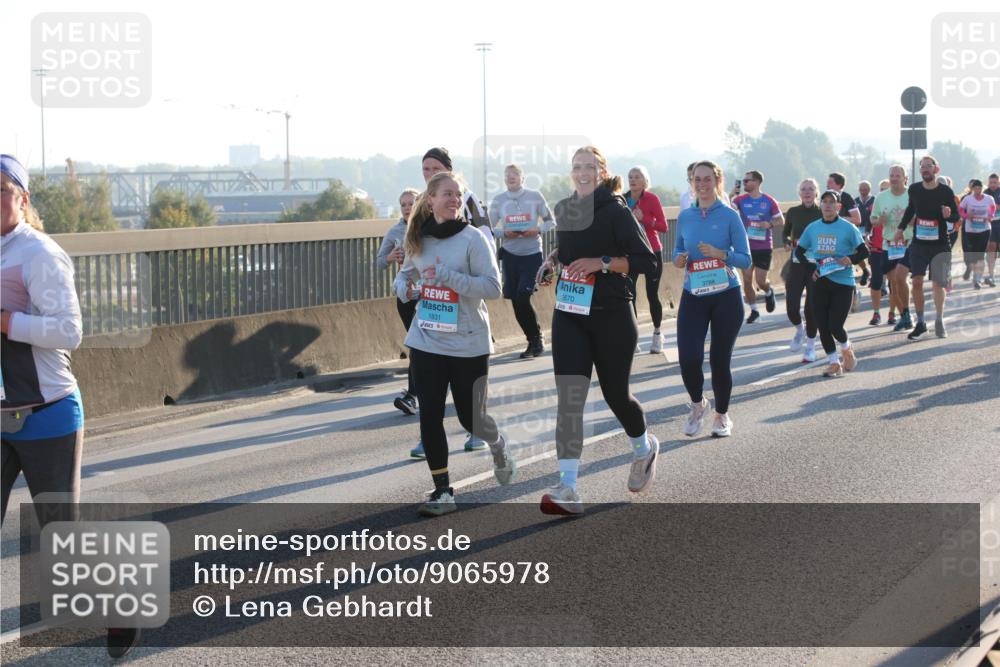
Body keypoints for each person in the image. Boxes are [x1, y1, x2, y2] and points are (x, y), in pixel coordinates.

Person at [0, 155, 139, 658]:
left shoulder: (39, 253)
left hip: (46, 413)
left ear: (23, 198)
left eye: (1, 189)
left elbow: (70, 331)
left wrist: (7, 322)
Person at [534, 146, 659, 516]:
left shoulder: (617, 211)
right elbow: (571, 248)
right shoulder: (564, 209)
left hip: (612, 314)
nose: (582, 173)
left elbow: (646, 262)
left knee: (616, 395)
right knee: (570, 399)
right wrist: (553, 261)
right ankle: (568, 488)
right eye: (576, 167)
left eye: (589, 167)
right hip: (570, 312)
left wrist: (602, 264)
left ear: (602, 171)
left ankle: (643, 447)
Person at [392, 172, 515, 516]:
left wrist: (449, 277)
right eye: (447, 194)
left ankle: (498, 443)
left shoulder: (473, 239)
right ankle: (443, 491)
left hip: (468, 343)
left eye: (458, 195)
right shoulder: (417, 237)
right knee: (429, 414)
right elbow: (403, 277)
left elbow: (493, 287)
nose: (454, 200)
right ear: (430, 199)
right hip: (427, 338)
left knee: (470, 418)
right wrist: (407, 289)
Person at [673, 160, 751, 436]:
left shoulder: (730, 216)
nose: (702, 184)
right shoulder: (685, 216)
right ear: (691, 182)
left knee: (720, 360)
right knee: (688, 357)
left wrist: (721, 254)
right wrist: (679, 259)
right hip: (694, 293)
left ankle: (721, 415)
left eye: (707, 179)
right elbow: (677, 252)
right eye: (697, 179)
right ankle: (698, 404)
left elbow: (745, 258)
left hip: (726, 295)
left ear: (717, 181)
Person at [420, 147, 490, 451]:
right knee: (429, 404)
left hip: (466, 319)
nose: (430, 174)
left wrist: (452, 274)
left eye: (436, 168)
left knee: (467, 405)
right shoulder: (422, 210)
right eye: (426, 169)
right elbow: (411, 258)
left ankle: (482, 431)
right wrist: (406, 283)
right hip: (430, 325)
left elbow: (485, 241)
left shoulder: (467, 202)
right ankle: (430, 441)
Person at [794, 190, 869, 377]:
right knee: (822, 325)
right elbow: (799, 252)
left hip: (843, 283)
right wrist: (812, 269)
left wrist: (850, 259)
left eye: (831, 202)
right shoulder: (812, 228)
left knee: (835, 325)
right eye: (824, 202)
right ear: (821, 205)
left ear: (838, 206)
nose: (827, 205)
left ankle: (846, 347)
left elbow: (863, 252)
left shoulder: (847, 228)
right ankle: (834, 362)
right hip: (820, 281)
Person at [490, 164, 556, 359]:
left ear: (522, 178)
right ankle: (532, 339)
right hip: (510, 255)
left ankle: (537, 340)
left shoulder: (535, 196)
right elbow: (489, 228)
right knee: (516, 301)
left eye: (515, 174)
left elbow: (551, 221)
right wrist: (504, 233)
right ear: (503, 179)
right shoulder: (498, 200)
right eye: (507, 175)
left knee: (523, 296)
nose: (511, 177)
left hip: (532, 253)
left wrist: (537, 230)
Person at [895, 155, 960, 339]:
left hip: (940, 244)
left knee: (938, 283)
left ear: (935, 169)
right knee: (916, 281)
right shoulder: (914, 190)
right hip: (919, 244)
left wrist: (948, 214)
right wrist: (900, 228)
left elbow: (955, 216)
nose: (924, 169)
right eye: (922, 166)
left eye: (928, 166)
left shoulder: (945, 191)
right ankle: (921, 322)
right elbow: (910, 209)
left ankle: (939, 320)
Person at [378, 189, 422, 427]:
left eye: (411, 203)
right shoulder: (395, 232)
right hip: (407, 297)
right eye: (403, 204)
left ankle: (415, 394)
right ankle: (414, 396)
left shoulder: (429, 227)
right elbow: (378, 262)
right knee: (416, 345)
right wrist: (389, 258)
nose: (406, 208)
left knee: (423, 346)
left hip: (432, 296)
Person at [625, 166, 668, 353]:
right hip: (631, 253)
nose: (633, 180)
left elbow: (664, 226)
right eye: (630, 177)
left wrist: (645, 220)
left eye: (637, 177)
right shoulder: (623, 200)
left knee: (652, 295)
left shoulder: (652, 199)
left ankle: (657, 335)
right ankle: (633, 338)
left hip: (652, 252)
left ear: (644, 181)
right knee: (629, 295)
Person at [731, 170, 782, 323]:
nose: (745, 183)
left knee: (760, 280)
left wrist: (770, 224)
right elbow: (724, 205)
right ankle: (754, 310)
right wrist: (732, 193)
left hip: (764, 246)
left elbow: (781, 221)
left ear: (758, 182)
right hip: (745, 246)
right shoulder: (740, 199)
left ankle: (768, 291)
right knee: (747, 279)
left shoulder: (769, 201)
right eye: (744, 181)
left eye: (748, 181)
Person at [782, 178, 822, 362]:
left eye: (811, 189)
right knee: (791, 306)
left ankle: (811, 347)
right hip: (797, 263)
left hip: (815, 265)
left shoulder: (822, 212)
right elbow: (785, 232)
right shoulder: (793, 212)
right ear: (799, 193)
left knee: (811, 308)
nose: (807, 192)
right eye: (804, 189)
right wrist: (787, 242)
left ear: (816, 192)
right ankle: (799, 330)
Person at [871, 165, 914, 332]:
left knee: (900, 277)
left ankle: (907, 313)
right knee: (894, 282)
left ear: (904, 178)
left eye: (897, 175)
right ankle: (904, 314)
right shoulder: (881, 197)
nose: (894, 178)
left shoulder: (912, 194)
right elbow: (873, 219)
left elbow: (921, 213)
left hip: (908, 241)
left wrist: (914, 220)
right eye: (891, 175)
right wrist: (878, 220)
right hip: (888, 244)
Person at [827, 172, 866, 289]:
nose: (827, 185)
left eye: (830, 182)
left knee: (846, 266)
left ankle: (853, 290)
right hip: (831, 238)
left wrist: (839, 219)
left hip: (846, 236)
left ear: (839, 185)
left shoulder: (846, 198)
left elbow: (857, 219)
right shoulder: (826, 198)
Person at [959, 179, 997, 289]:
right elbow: (960, 209)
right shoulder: (967, 199)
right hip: (971, 230)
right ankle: (973, 271)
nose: (977, 190)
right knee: (972, 254)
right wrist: (967, 216)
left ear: (982, 188)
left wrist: (990, 216)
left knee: (980, 255)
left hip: (984, 229)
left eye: (979, 188)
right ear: (972, 189)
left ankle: (977, 279)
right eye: (975, 188)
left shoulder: (989, 198)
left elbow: (993, 207)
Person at [985, 172, 1000, 287]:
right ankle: (991, 275)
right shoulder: (985, 193)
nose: (993, 185)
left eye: (995, 182)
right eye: (991, 183)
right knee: (991, 248)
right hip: (991, 224)